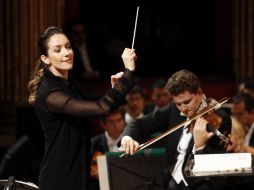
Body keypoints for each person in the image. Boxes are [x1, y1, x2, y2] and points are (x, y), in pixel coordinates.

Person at [27, 26, 137, 190]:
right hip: (60, 177)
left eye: (68, 46)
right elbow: (102, 108)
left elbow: (100, 103)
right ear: (46, 58)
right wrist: (128, 72)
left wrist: (114, 88)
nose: (67, 53)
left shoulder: (70, 83)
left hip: (78, 170)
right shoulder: (51, 93)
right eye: (58, 50)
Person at [120, 70, 231, 190]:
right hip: (167, 182)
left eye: (187, 102)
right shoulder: (174, 110)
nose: (183, 109)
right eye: (178, 104)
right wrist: (128, 137)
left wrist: (199, 146)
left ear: (199, 93)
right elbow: (139, 124)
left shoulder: (219, 119)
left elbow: (211, 170)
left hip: (198, 184)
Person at [90, 108, 126, 190]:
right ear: (103, 125)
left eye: (119, 120)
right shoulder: (93, 144)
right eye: (111, 122)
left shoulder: (131, 141)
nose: (116, 125)